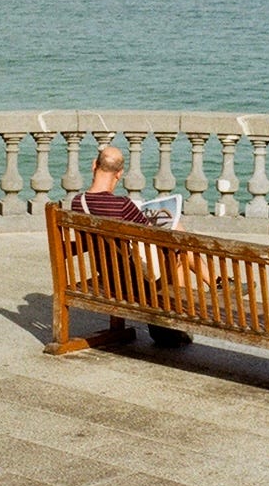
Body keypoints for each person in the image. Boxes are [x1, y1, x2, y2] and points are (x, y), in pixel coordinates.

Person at [66, 144, 192, 348]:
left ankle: (168, 326)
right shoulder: (123, 205)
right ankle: (173, 326)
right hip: (130, 281)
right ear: (119, 173)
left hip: (107, 274)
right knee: (180, 253)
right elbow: (151, 237)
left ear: (94, 165)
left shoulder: (77, 202)